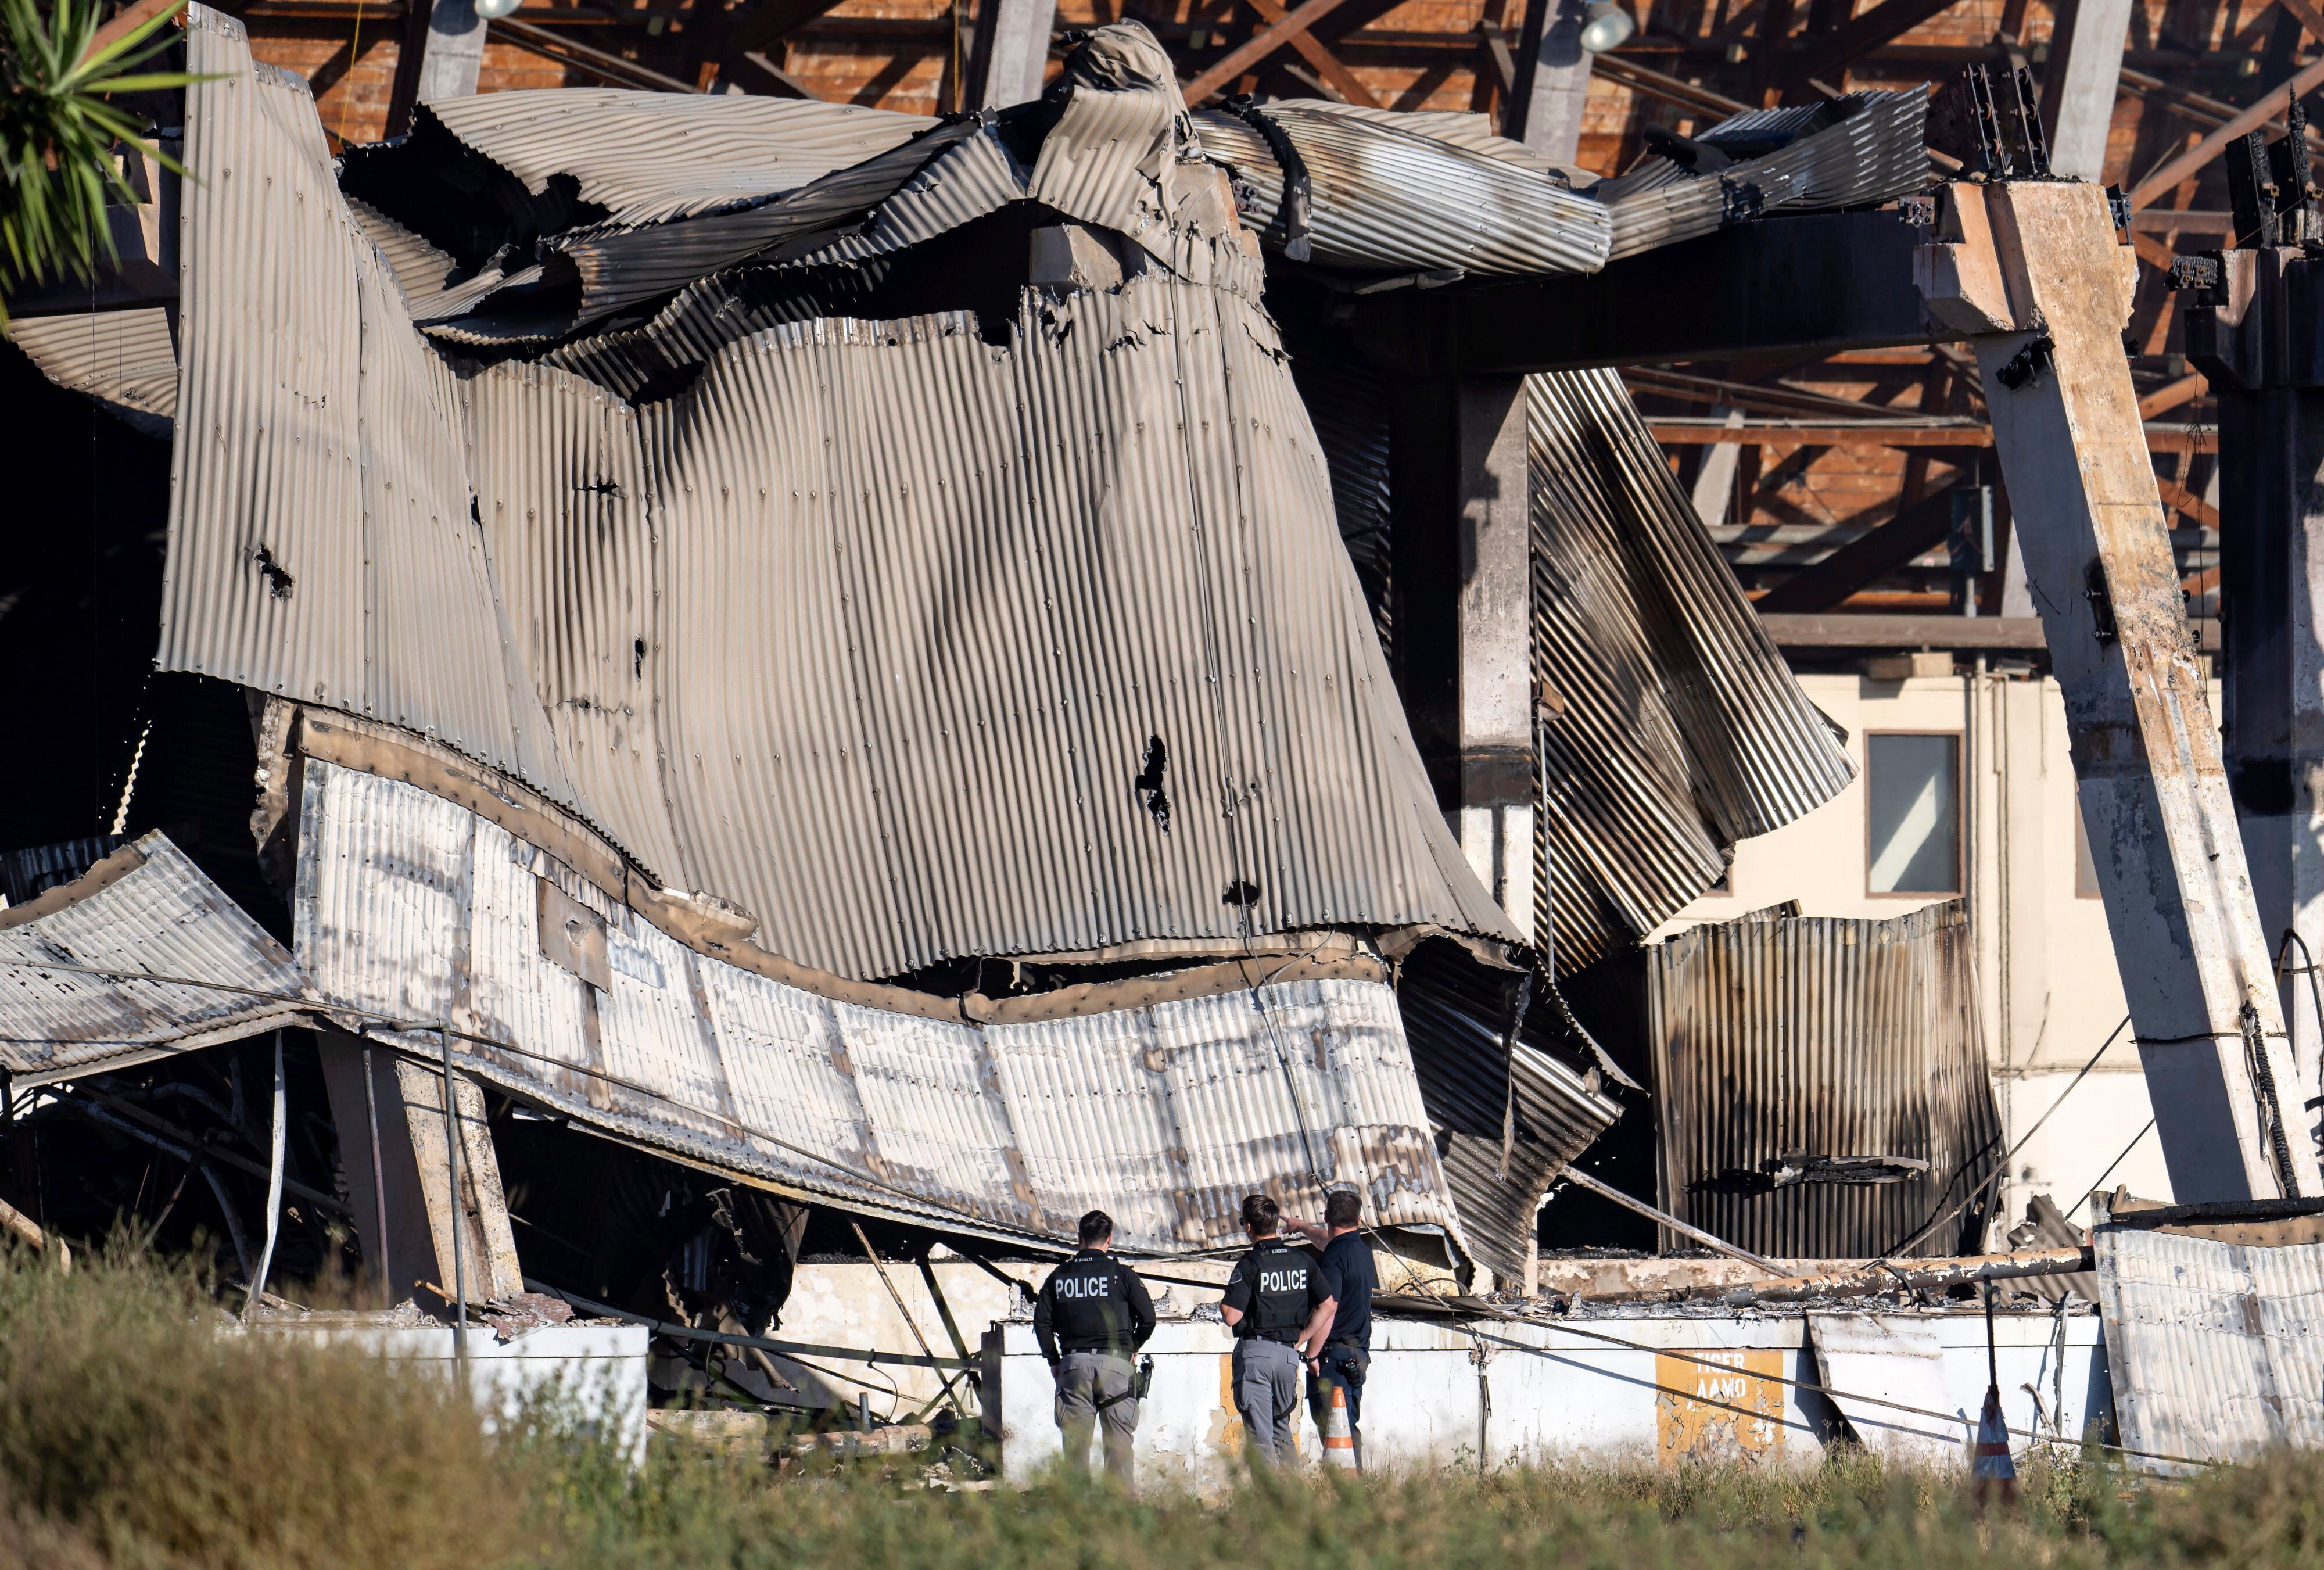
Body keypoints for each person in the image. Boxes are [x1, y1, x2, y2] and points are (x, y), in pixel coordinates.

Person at [1033, 1209, 1156, 1486]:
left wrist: (1054, 1360)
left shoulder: (1058, 1276)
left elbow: (1041, 1323)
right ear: (1109, 1239)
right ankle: (1120, 1516)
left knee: (1076, 1448)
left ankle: (1077, 1515)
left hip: (1073, 1366)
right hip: (1116, 1368)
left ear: (1080, 1239)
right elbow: (1149, 1318)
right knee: (1119, 1446)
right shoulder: (1123, 1275)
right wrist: (1132, 1347)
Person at [1218, 1192, 1336, 1468]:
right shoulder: (1302, 1261)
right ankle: (1294, 1506)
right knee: (1282, 1431)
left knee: (1261, 1440)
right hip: (1288, 1357)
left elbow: (1231, 1317)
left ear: (1249, 1227)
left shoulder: (1249, 1264)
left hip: (1256, 1356)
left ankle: (1268, 1508)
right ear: (1273, 1224)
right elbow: (1328, 1305)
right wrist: (1303, 1338)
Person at [1284, 1187, 1377, 1469]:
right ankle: (1352, 1494)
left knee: (1337, 1431)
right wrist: (1300, 1227)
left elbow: (1329, 1308)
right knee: (1346, 1426)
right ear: (1359, 1220)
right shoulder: (1360, 1250)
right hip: (1356, 1354)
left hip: (1334, 1359)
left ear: (1326, 1215)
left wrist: (1310, 1352)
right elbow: (1329, 1240)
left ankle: (1348, 1498)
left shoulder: (1335, 1258)